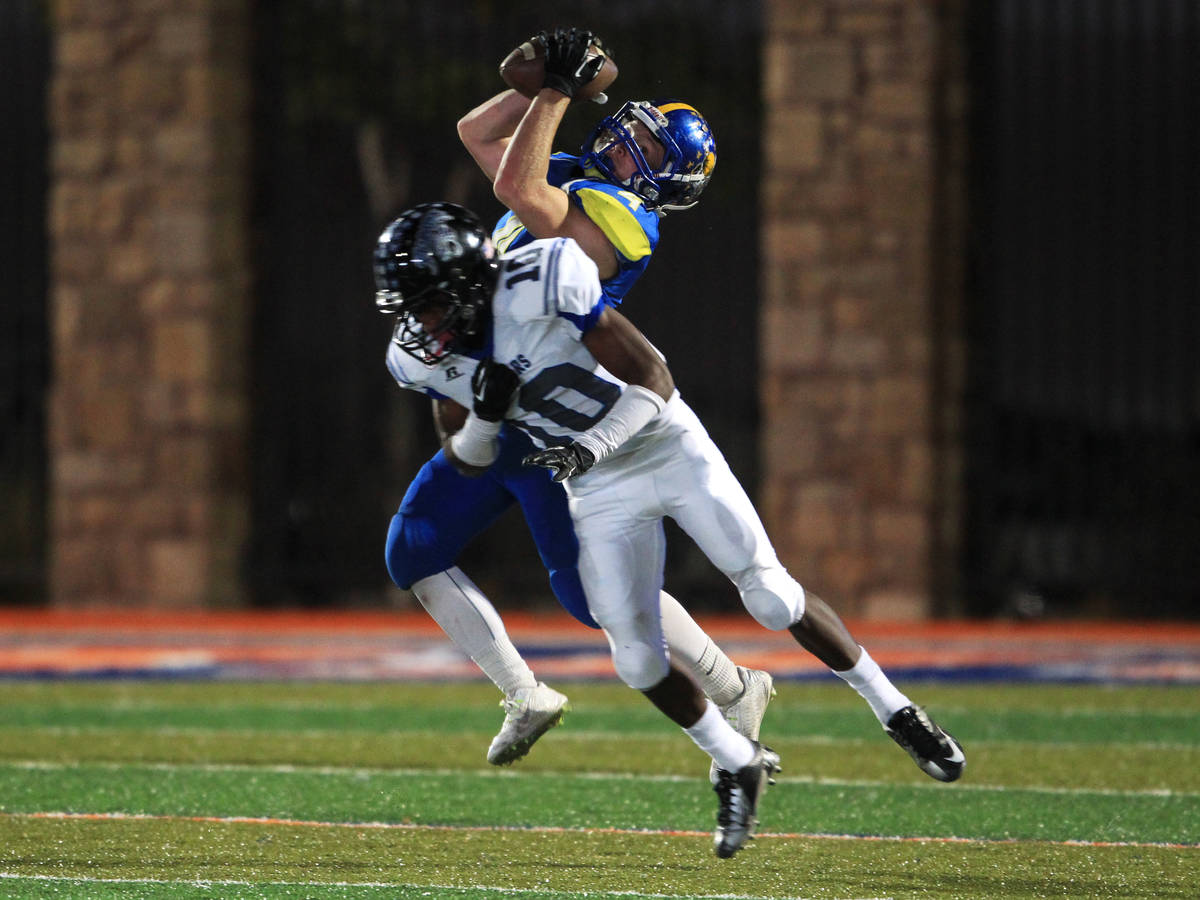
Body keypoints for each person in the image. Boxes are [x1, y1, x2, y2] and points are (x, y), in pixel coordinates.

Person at [372, 201, 966, 859]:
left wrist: (593, 446)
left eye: (424, 303)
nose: (416, 322)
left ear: (463, 288)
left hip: (660, 444)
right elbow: (467, 454)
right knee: (633, 655)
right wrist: (486, 418)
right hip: (594, 485)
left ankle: (896, 710)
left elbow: (653, 377)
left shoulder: (544, 279)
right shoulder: (426, 357)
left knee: (770, 595)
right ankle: (734, 760)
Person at [384, 26, 773, 770]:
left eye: (651, 154)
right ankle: (524, 694)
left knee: (591, 599)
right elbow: (476, 131)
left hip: (549, 424)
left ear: (666, 183)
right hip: (490, 391)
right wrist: (540, 81)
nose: (630, 145)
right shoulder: (573, 170)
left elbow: (516, 191)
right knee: (413, 551)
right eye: (639, 134)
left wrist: (559, 89)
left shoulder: (630, 223)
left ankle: (735, 686)